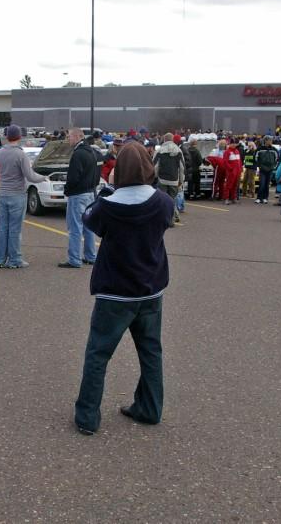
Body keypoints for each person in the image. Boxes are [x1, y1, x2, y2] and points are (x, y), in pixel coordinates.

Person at [73, 141, 175, 436]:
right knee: (151, 352)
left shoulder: (107, 205)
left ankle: (87, 417)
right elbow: (165, 221)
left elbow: (89, 219)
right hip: (151, 289)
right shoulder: (163, 202)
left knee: (98, 354)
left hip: (115, 292)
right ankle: (150, 408)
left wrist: (108, 190)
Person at [0, 124, 48, 268]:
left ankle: (0, 259)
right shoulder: (21, 154)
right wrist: (43, 177)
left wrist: (3, 172)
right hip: (17, 194)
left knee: (3, 228)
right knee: (15, 229)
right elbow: (30, 176)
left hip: (3, 194)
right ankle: (14, 259)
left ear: (7, 137)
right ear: (19, 137)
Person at [59, 128, 99, 269]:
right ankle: (90, 256)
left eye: (69, 136)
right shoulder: (91, 152)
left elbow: (73, 178)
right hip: (89, 193)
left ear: (77, 137)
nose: (68, 139)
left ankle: (74, 259)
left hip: (78, 195)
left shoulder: (77, 154)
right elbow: (96, 174)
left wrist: (67, 190)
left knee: (75, 227)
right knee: (88, 226)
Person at [153, 133, 185, 224]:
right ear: (173, 139)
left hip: (162, 179)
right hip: (174, 180)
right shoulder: (178, 150)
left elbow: (155, 166)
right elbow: (182, 168)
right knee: (172, 200)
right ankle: (171, 220)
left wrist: (154, 177)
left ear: (164, 140)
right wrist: (181, 180)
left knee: (163, 200)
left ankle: (163, 219)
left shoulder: (160, 151)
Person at [255, 136, 277, 204]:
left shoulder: (274, 149)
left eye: (271, 140)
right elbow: (256, 158)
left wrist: (273, 167)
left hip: (270, 169)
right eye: (269, 140)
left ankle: (265, 198)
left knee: (267, 184)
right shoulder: (260, 149)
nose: (270, 141)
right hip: (262, 169)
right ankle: (259, 198)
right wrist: (259, 167)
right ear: (265, 141)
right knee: (262, 184)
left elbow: (276, 159)